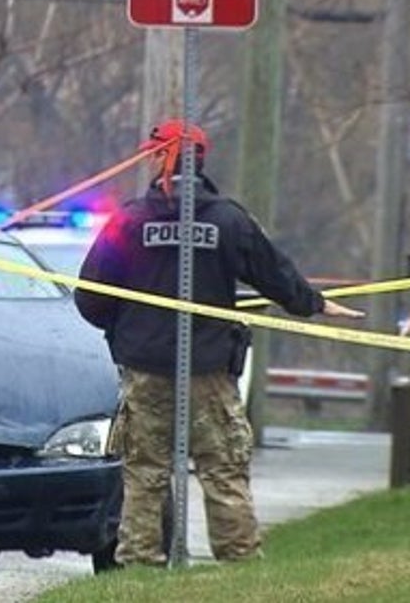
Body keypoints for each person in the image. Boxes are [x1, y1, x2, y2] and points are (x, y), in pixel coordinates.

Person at [74, 119, 364, 567]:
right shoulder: (230, 220)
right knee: (223, 468)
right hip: (209, 370)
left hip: (146, 373)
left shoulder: (128, 221)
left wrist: (127, 331)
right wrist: (314, 303)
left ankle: (139, 565)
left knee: (145, 473)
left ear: (160, 157)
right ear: (201, 160)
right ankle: (239, 563)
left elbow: (90, 297)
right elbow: (274, 275)